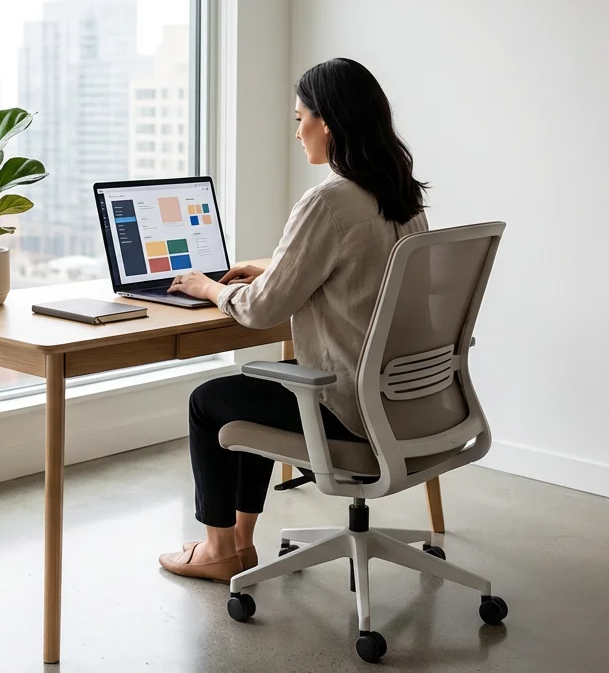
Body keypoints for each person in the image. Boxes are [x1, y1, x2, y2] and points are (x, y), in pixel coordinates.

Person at [159, 58, 430, 582]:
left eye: (300, 117)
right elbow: (363, 269)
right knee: (260, 390)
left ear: (326, 122)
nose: (298, 130)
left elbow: (261, 310)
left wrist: (208, 287)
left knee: (210, 400)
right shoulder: (402, 197)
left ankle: (221, 550)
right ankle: (238, 545)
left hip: (351, 412)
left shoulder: (329, 200)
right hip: (411, 406)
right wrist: (274, 268)